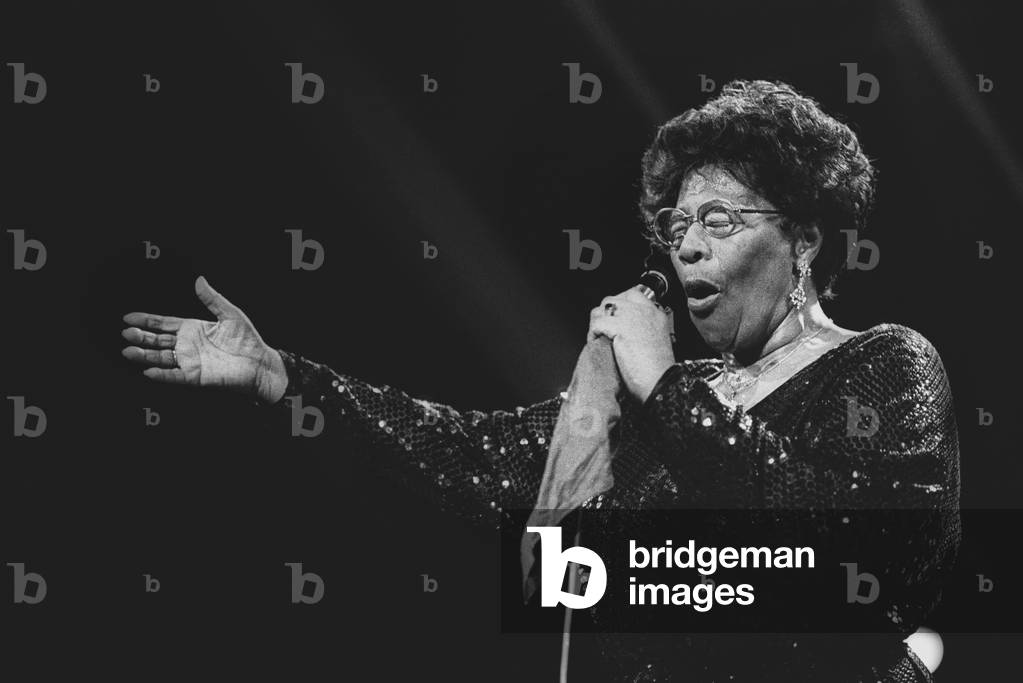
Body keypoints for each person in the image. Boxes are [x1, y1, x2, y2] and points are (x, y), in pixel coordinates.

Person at [121, 80, 961, 682]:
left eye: (718, 220)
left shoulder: (883, 362)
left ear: (805, 239)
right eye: (676, 225)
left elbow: (867, 557)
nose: (688, 246)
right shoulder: (649, 401)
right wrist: (284, 377)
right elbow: (466, 451)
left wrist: (664, 385)